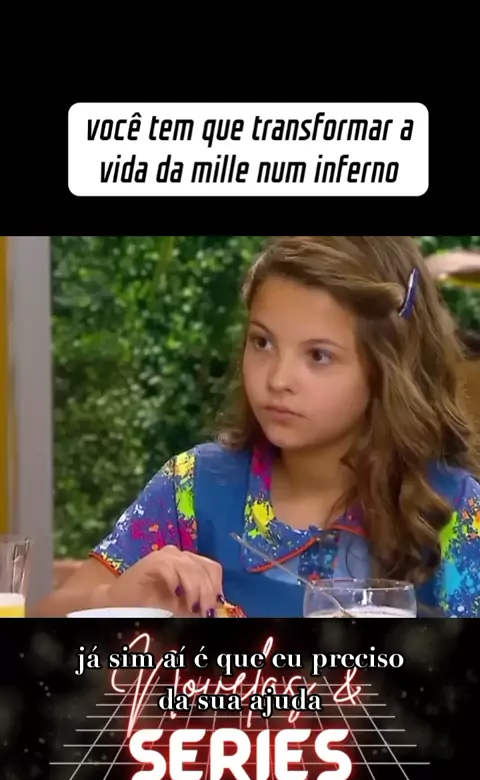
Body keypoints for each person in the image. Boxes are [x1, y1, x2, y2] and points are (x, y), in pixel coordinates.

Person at [32, 236, 480, 618]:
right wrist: (115, 600)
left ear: (388, 368)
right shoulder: (192, 488)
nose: (278, 379)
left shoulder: (454, 509)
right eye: (262, 342)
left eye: (318, 356)